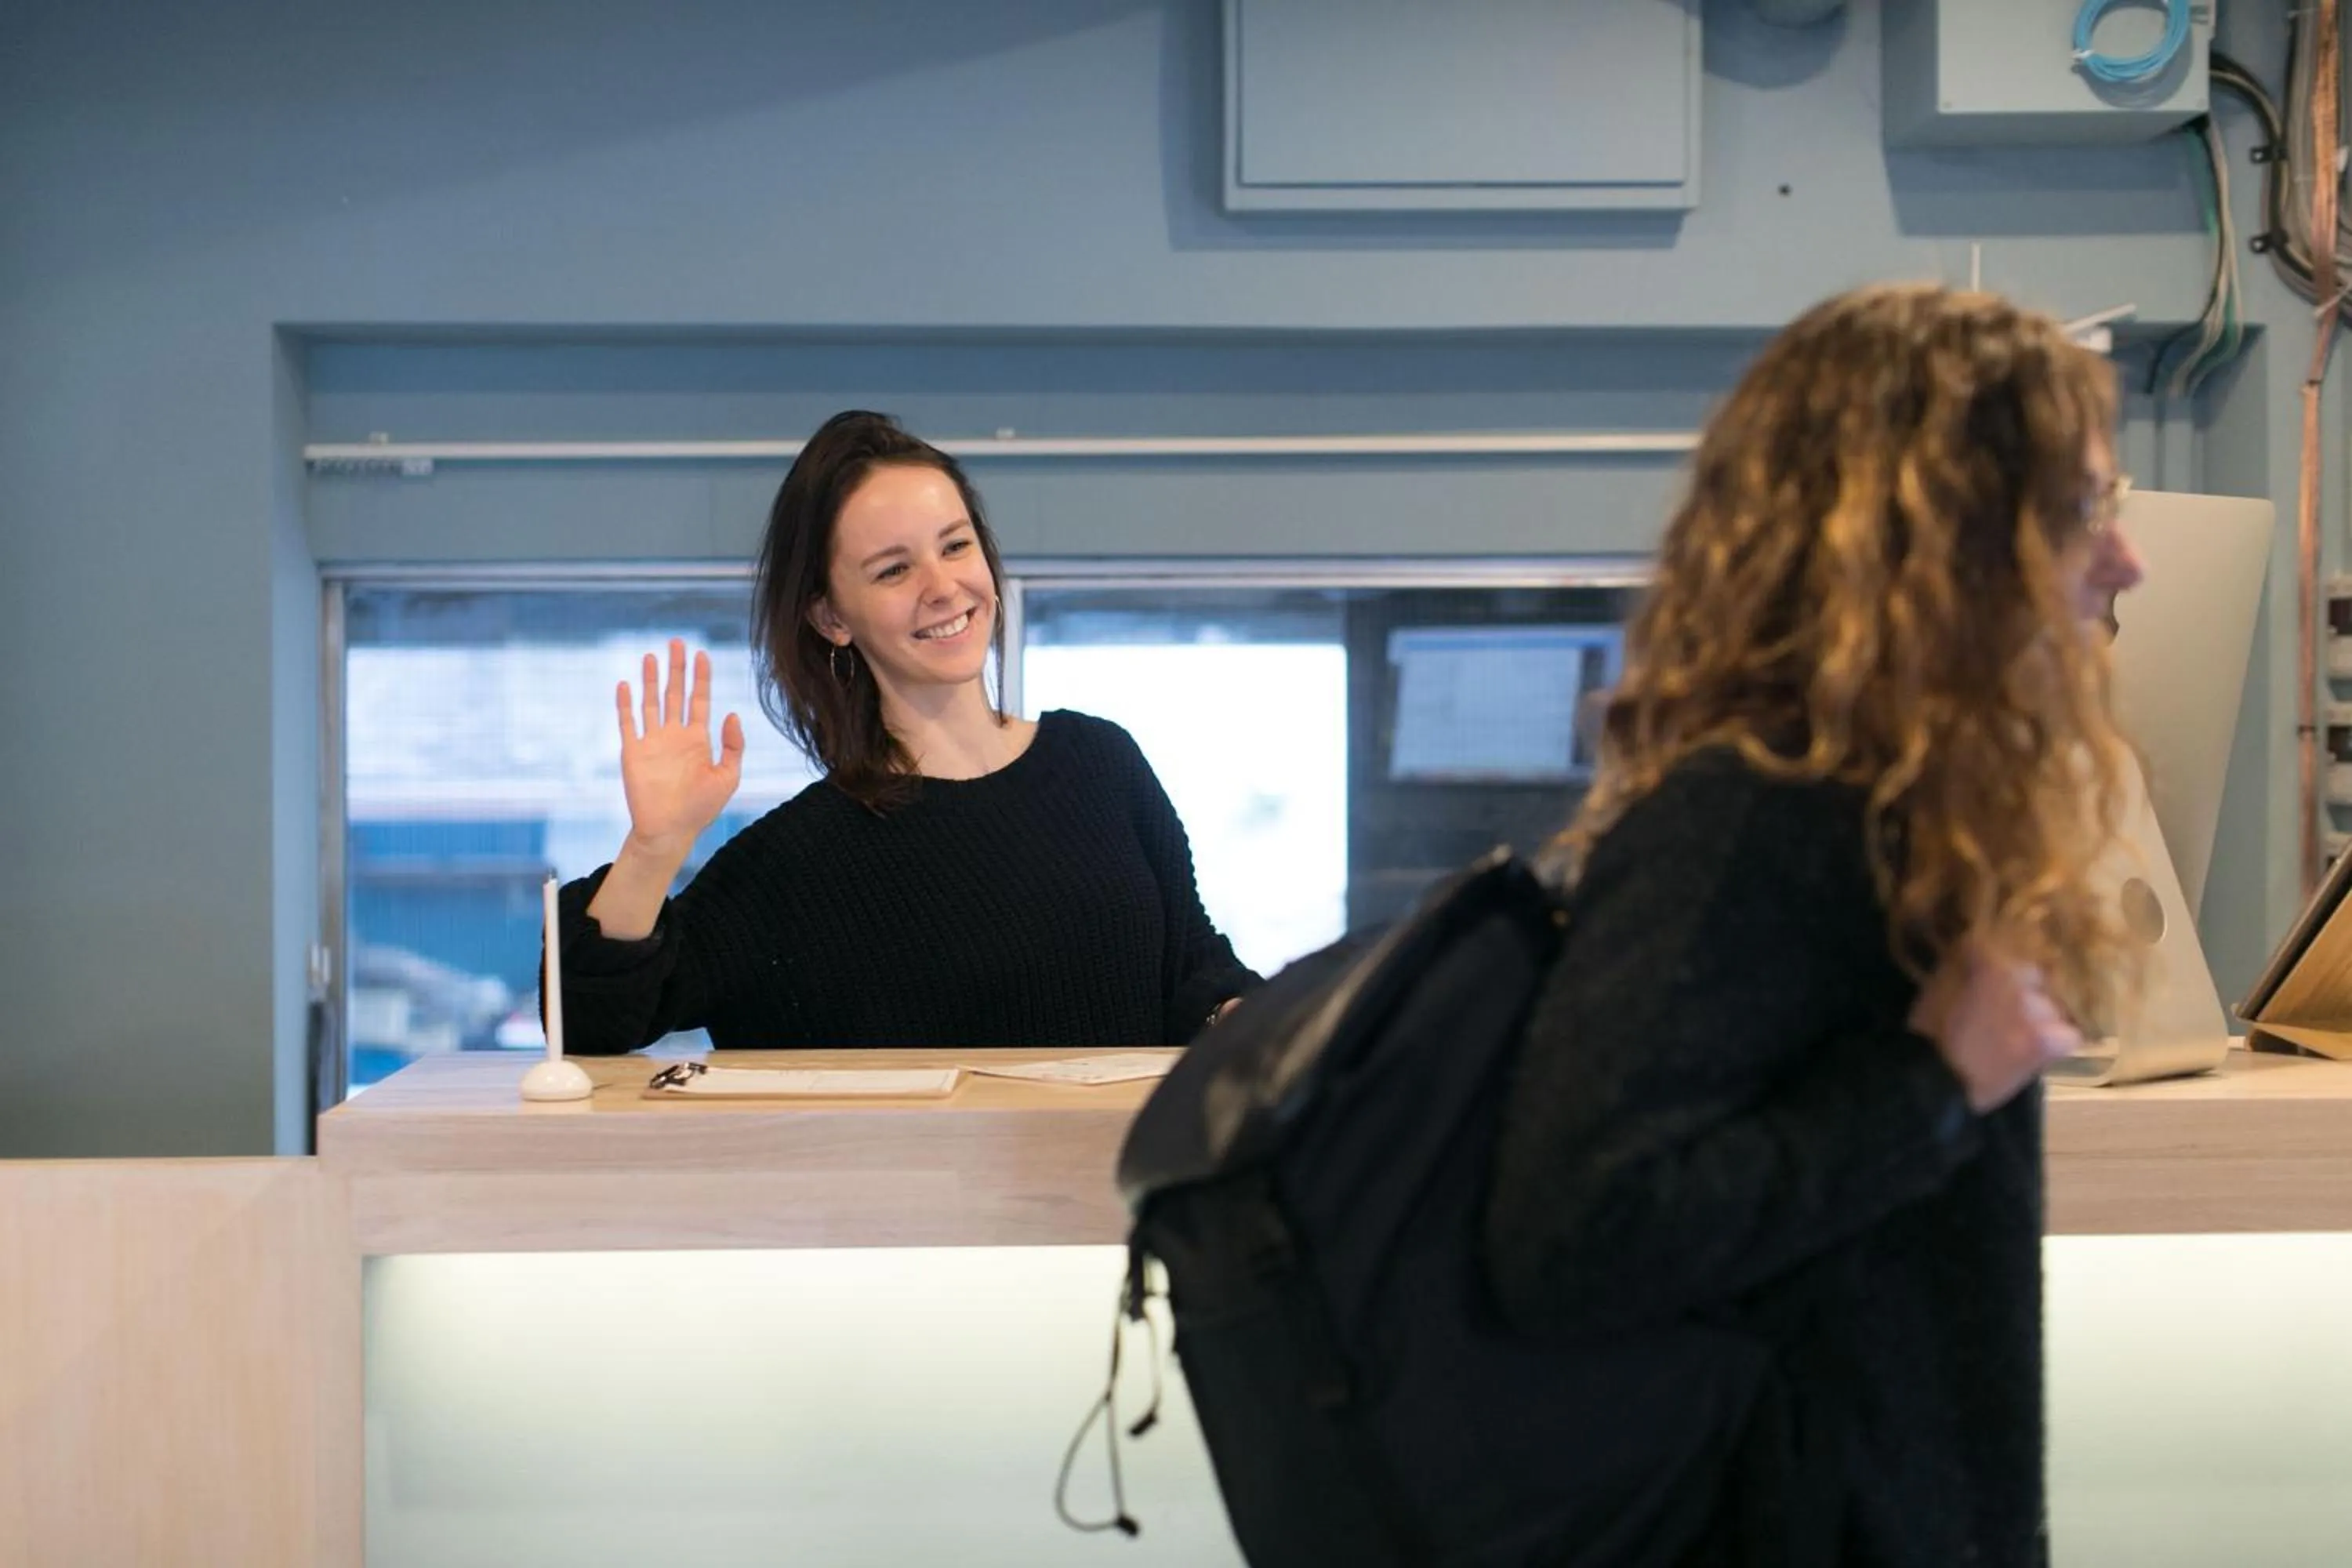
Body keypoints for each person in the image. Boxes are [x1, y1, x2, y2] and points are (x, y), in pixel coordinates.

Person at [1483, 285, 2147, 1566]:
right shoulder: (1750, 814)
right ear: (1940, 536)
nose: (2123, 561)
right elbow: (1573, 1236)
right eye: (2080, 511)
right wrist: (1936, 1079)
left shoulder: (1896, 811)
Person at [552, 410, 1256, 1054]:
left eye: (955, 546)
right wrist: (653, 849)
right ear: (831, 618)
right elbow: (588, 1020)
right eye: (893, 570)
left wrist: (1256, 1022)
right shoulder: (804, 856)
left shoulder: (1101, 762)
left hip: (1117, 1190)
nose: (943, 586)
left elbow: (1193, 972)